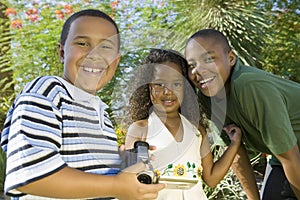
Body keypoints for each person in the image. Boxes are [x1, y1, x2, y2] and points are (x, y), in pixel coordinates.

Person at [0, 9, 165, 200]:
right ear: (62, 52)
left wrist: (119, 162)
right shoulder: (48, 90)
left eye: (106, 47)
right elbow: (31, 175)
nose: (94, 55)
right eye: (82, 43)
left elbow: (88, 173)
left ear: (116, 61)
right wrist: (117, 185)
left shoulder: (100, 110)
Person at [185, 28, 300, 200]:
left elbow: (290, 157)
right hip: (286, 157)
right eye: (191, 65)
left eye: (208, 59)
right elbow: (235, 150)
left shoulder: (249, 85)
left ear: (231, 58)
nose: (198, 71)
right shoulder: (208, 98)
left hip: (291, 155)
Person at [124, 48, 242, 200]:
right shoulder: (140, 129)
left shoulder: (198, 131)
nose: (168, 91)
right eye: (159, 84)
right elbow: (128, 180)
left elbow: (211, 178)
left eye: (177, 84)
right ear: (148, 87)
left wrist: (234, 145)